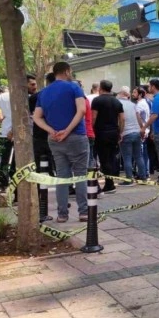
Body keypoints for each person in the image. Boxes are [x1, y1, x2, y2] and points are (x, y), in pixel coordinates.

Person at [33, 62, 89, 223]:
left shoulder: (43, 92)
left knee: (61, 176)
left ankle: (62, 214)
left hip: (55, 139)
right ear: (67, 71)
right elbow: (82, 110)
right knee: (80, 175)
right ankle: (84, 212)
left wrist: (51, 130)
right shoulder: (74, 88)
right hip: (76, 136)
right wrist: (68, 130)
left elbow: (36, 117)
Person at [91, 80, 124, 194]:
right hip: (113, 133)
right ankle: (110, 182)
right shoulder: (117, 101)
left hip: (101, 133)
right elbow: (122, 118)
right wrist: (120, 132)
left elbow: (93, 117)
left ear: (101, 88)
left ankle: (109, 184)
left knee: (103, 158)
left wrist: (91, 130)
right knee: (111, 157)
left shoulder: (97, 100)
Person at [117, 86, 146, 185]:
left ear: (121, 94)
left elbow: (121, 119)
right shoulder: (133, 104)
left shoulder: (118, 104)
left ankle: (129, 179)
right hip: (136, 132)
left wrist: (120, 132)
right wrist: (142, 130)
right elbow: (139, 118)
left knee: (127, 157)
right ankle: (143, 177)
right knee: (139, 156)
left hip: (126, 133)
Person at [29, 73, 56, 175]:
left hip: (39, 133)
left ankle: (40, 181)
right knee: (56, 162)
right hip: (57, 132)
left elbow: (31, 115)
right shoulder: (62, 96)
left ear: (47, 82)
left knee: (39, 163)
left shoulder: (35, 97)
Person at [133, 86, 151, 180]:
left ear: (140, 94)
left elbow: (138, 117)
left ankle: (142, 173)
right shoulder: (145, 103)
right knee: (144, 154)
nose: (133, 94)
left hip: (142, 131)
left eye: (135, 92)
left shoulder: (140, 104)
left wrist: (141, 128)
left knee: (140, 154)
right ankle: (145, 172)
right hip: (145, 130)